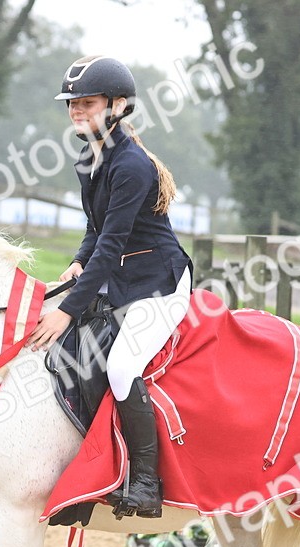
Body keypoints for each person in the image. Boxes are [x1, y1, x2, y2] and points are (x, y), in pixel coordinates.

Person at [27, 55, 193, 519]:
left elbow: (113, 243)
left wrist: (66, 309)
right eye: (72, 104)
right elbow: (95, 231)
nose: (77, 111)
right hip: (120, 277)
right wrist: (76, 264)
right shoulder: (89, 157)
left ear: (118, 105)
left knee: (120, 367)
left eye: (88, 102)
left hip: (159, 284)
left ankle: (145, 483)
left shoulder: (132, 166)